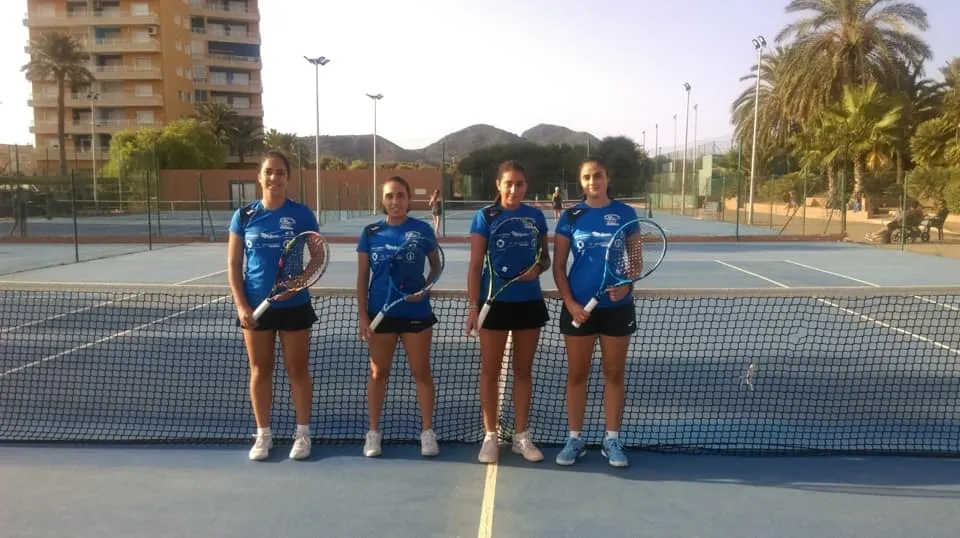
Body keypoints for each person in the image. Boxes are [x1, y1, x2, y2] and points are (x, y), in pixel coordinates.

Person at [227, 149, 319, 461]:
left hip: (295, 306)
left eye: (280, 172)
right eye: (269, 172)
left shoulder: (303, 215)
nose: (274, 178)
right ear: (259, 177)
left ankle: (303, 434)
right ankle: (263, 435)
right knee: (259, 370)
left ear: (288, 178)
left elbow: (318, 256)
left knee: (297, 370)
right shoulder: (244, 217)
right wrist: (242, 306)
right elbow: (234, 264)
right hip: (255, 308)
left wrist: (299, 282)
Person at [552, 157, 637, 468]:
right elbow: (559, 268)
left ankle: (611, 439)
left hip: (617, 308)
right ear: (581, 181)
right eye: (587, 177)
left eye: (598, 176)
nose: (593, 182)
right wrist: (572, 304)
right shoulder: (571, 216)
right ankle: (575, 438)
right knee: (577, 375)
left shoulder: (626, 214)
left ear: (606, 177)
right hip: (579, 309)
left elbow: (636, 260)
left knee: (614, 374)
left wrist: (627, 285)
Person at [466, 160, 551, 464]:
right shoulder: (485, 216)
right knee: (490, 371)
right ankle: (490, 436)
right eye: (509, 183)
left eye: (520, 184)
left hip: (529, 302)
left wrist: (536, 270)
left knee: (523, 371)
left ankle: (521, 436)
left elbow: (546, 260)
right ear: (498, 185)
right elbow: (475, 265)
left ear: (526, 186)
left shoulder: (535, 216)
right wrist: (474, 307)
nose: (514, 189)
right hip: (494, 303)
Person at [357, 175, 442, 458]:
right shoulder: (370, 233)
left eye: (400, 196)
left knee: (421, 372)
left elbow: (436, 264)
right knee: (378, 372)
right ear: (383, 200)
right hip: (380, 312)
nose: (395, 201)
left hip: (416, 312)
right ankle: (373, 433)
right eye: (390, 196)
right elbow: (361, 279)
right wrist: (361, 316)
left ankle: (428, 432)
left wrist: (426, 289)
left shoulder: (422, 230)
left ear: (409, 199)